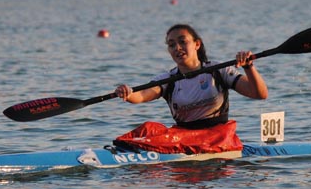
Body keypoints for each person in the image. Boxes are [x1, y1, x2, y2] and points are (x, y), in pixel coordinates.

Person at [114, 24, 268, 129]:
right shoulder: (168, 79)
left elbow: (259, 94)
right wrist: (127, 93)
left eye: (182, 42)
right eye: (171, 44)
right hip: (184, 138)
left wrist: (248, 67)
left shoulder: (219, 71)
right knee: (148, 128)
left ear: (197, 44)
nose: (177, 48)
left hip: (218, 138)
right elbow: (141, 95)